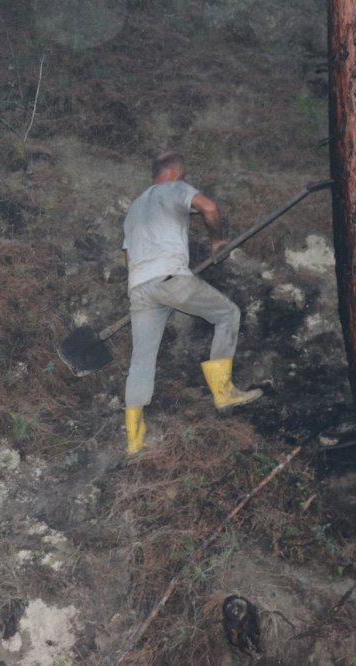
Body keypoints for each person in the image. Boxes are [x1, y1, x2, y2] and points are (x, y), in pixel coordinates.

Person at [122, 152, 261, 454]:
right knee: (228, 314)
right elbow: (209, 207)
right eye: (183, 175)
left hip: (139, 288)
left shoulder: (134, 208)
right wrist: (217, 240)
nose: (184, 179)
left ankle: (134, 440)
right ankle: (223, 392)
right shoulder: (174, 188)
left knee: (141, 360)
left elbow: (128, 255)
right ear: (173, 172)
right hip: (170, 278)